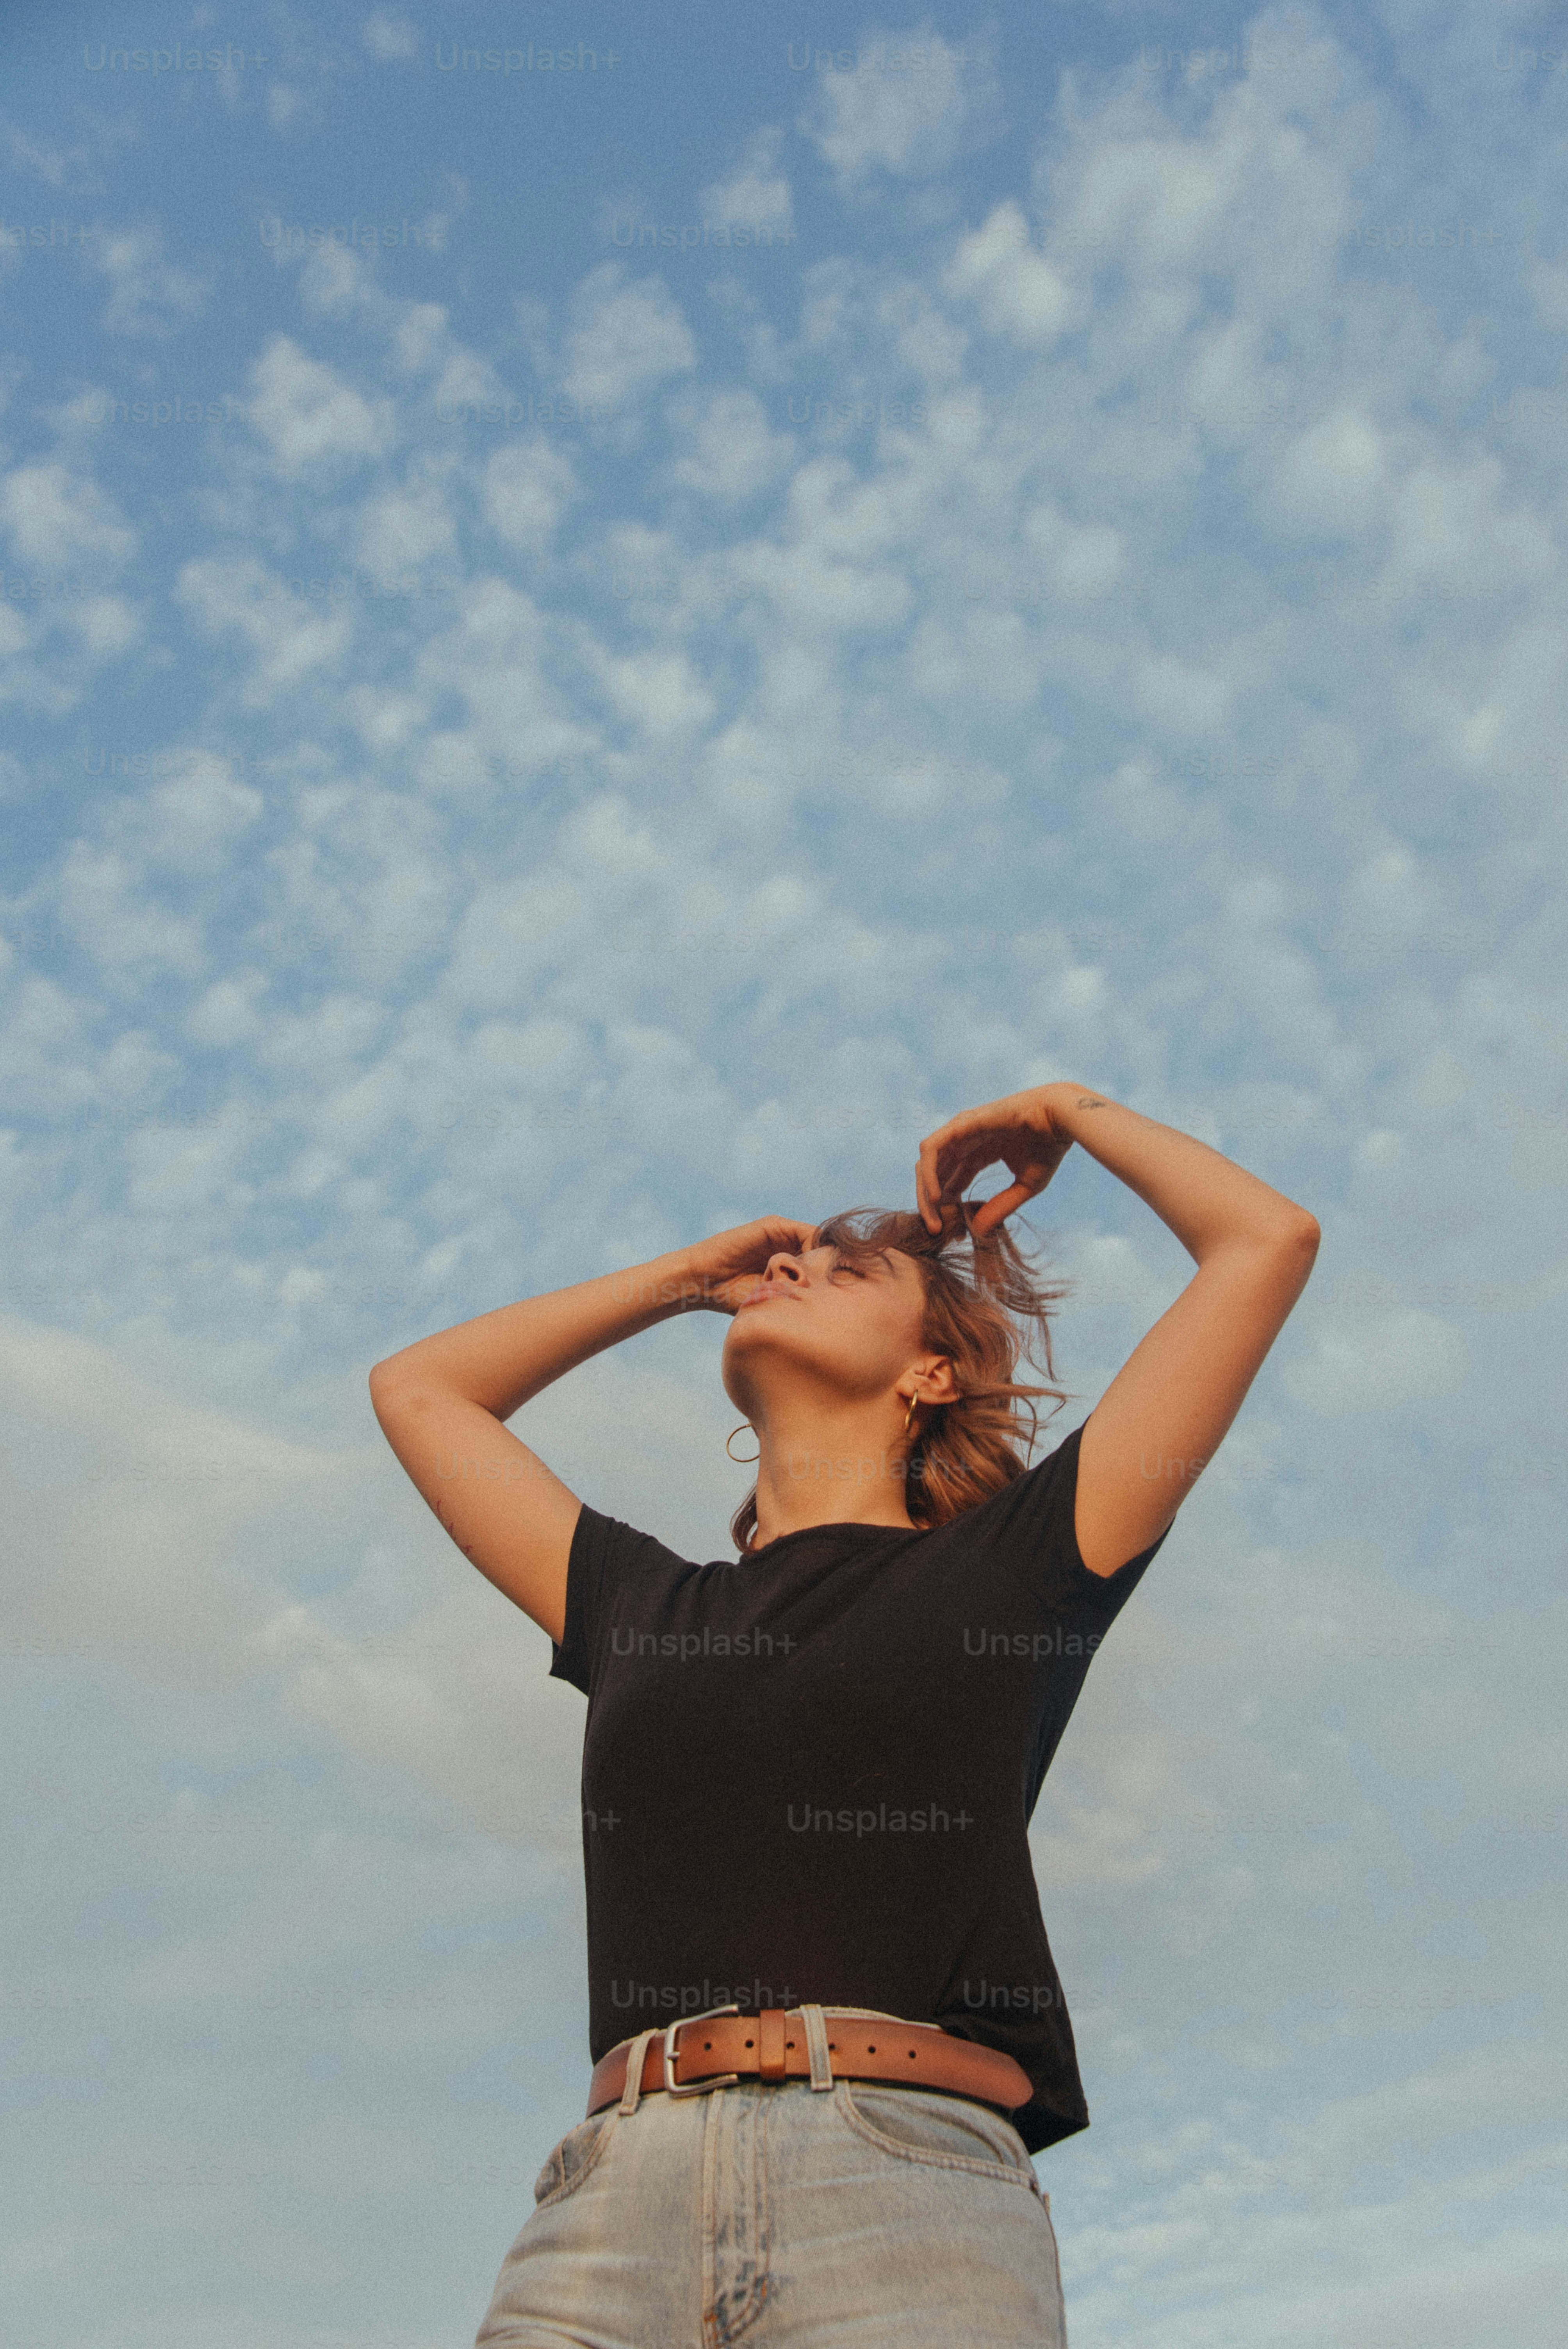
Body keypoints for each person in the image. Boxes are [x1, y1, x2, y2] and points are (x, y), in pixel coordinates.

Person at [368, 1079, 1320, 2348]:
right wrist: (679, 1277)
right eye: (790, 1258)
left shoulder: (1027, 1564)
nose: (796, 1265)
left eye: (848, 1265)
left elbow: (1266, 1242)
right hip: (605, 2221)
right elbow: (421, 1390)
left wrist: (1070, 1112)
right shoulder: (638, 1603)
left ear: (931, 1371)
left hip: (906, 2203)